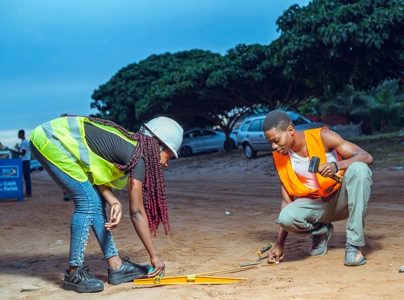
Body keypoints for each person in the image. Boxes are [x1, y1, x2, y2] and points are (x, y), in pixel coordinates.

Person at [29, 115, 183, 293]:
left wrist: (113, 200)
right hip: (50, 140)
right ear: (157, 146)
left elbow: (95, 170)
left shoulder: (132, 148)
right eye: (168, 157)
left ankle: (116, 266)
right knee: (87, 202)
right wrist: (154, 257)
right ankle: (73, 274)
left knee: (95, 201)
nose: (166, 164)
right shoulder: (139, 158)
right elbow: (137, 212)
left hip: (54, 139)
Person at [263, 110, 373, 267]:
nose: (274, 147)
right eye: (270, 143)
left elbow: (366, 157)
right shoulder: (280, 157)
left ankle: (354, 246)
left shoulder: (323, 137)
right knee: (285, 217)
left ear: (290, 130)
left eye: (276, 140)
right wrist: (279, 244)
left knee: (359, 169)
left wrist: (337, 165)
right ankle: (321, 231)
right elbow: (286, 201)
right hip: (317, 208)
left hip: (343, 199)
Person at [9, 130, 32, 197]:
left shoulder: (24, 142)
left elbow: (23, 153)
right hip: (25, 161)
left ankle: (28, 193)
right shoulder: (23, 142)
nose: (18, 135)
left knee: (26, 177)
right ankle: (28, 192)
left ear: (21, 134)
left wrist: (14, 151)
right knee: (26, 177)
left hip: (25, 161)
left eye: (19, 134)